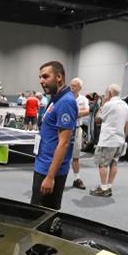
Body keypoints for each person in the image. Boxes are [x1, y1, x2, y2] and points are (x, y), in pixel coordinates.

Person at [31, 61, 77, 210]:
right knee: (35, 212)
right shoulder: (55, 99)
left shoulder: (66, 102)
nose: (41, 81)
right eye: (40, 77)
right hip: (43, 164)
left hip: (50, 170)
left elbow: (64, 143)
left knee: (42, 217)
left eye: (45, 76)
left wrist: (50, 177)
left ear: (58, 77)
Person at [90, 84, 128, 198]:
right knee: (114, 163)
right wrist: (124, 137)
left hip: (108, 140)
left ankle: (103, 188)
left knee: (102, 164)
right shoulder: (125, 105)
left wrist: (102, 105)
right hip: (120, 140)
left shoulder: (109, 105)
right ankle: (108, 186)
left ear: (110, 93)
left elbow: (98, 120)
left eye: (106, 92)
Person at [69, 78, 90, 190]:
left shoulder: (83, 99)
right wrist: (78, 111)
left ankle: (77, 179)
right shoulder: (66, 98)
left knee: (76, 156)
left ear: (80, 88)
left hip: (77, 129)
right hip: (65, 130)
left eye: (75, 86)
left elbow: (87, 111)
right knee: (60, 155)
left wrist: (74, 112)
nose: (72, 88)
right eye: (71, 85)